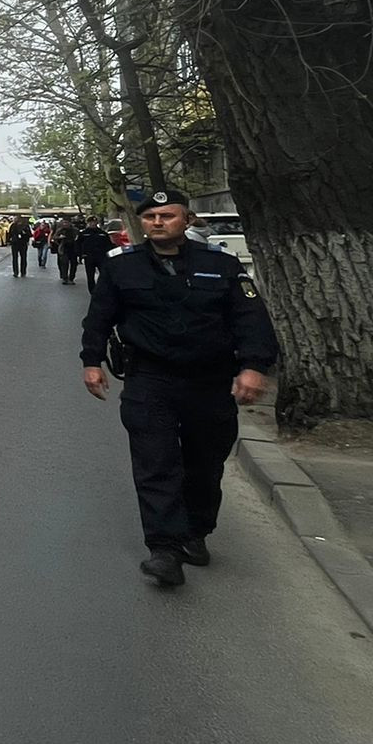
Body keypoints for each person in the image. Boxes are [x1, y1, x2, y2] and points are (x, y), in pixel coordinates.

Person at [81, 187, 278, 588]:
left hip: (209, 381)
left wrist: (254, 368)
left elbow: (251, 320)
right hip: (149, 379)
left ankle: (195, 532)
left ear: (187, 221)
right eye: (150, 217)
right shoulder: (122, 267)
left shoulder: (221, 266)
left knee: (205, 465)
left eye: (167, 216)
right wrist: (91, 361)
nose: (157, 222)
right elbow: (98, 318)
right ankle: (165, 549)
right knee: (156, 465)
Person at [76, 218, 114, 292]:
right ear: (88, 223)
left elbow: (108, 245)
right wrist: (80, 255)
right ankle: (92, 291)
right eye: (91, 222)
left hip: (101, 257)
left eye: (94, 222)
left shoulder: (102, 233)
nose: (93, 223)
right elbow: (78, 244)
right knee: (90, 275)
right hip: (89, 257)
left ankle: (103, 289)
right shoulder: (84, 233)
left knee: (104, 274)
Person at [54, 217, 81, 285]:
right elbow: (54, 237)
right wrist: (59, 238)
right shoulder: (60, 230)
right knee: (64, 263)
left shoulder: (75, 230)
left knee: (74, 264)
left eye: (66, 222)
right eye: (64, 222)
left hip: (73, 248)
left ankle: (71, 278)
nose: (65, 224)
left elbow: (79, 239)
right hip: (64, 248)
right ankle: (65, 278)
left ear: (70, 223)